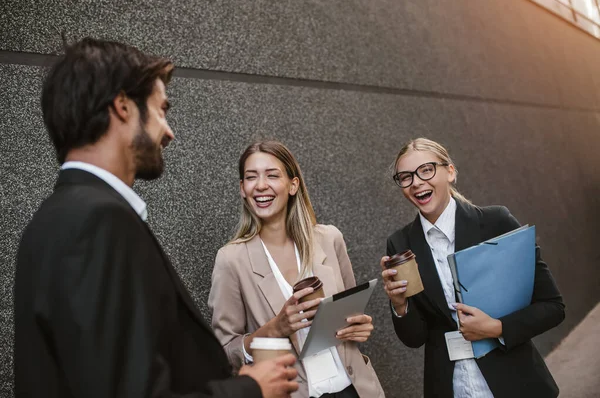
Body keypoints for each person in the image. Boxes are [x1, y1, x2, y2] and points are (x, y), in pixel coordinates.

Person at [13, 37, 298, 398]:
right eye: (161, 110)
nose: (168, 132)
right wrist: (251, 388)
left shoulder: (54, 219)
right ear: (122, 107)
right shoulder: (97, 223)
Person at [380, 137, 565, 398]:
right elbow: (414, 338)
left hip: (514, 382)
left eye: (426, 170)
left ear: (450, 172)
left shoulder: (495, 223)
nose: (417, 182)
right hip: (450, 387)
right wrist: (399, 305)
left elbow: (553, 307)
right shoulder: (400, 243)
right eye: (405, 177)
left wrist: (497, 328)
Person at [209, 141, 385, 398]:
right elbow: (224, 353)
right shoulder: (231, 259)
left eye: (272, 175)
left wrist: (360, 327)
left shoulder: (330, 239)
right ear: (242, 189)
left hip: (355, 389)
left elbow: (351, 316)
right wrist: (275, 329)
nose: (260, 185)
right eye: (251, 177)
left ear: (293, 185)